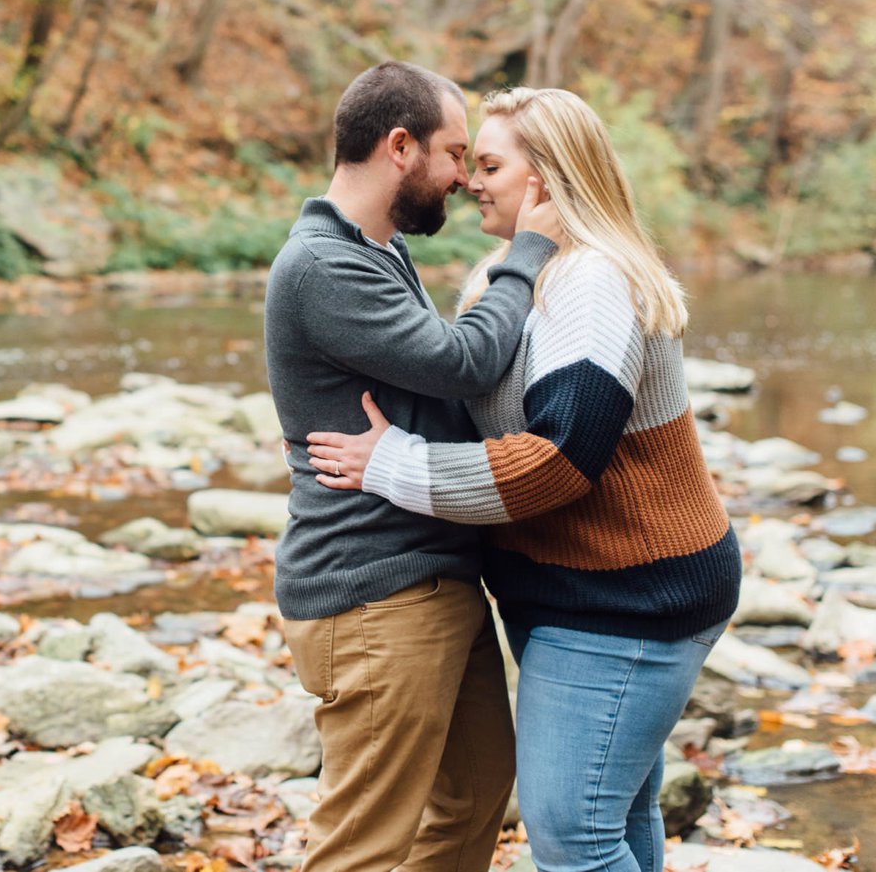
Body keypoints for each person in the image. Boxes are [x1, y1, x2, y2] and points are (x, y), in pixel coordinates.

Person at [303, 87, 742, 872]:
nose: (471, 178)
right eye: (470, 160)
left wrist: (391, 461)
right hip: (583, 591)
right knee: (618, 812)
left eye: (492, 164)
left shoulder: (592, 284)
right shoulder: (514, 271)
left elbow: (559, 460)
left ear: (549, 180)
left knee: (574, 839)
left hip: (630, 599)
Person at [265, 61, 561, 872]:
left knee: (471, 797)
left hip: (431, 578)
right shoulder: (323, 265)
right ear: (400, 147)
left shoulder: (375, 249)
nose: (464, 178)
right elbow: (464, 360)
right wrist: (528, 253)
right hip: (374, 592)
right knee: (360, 846)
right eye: (454, 153)